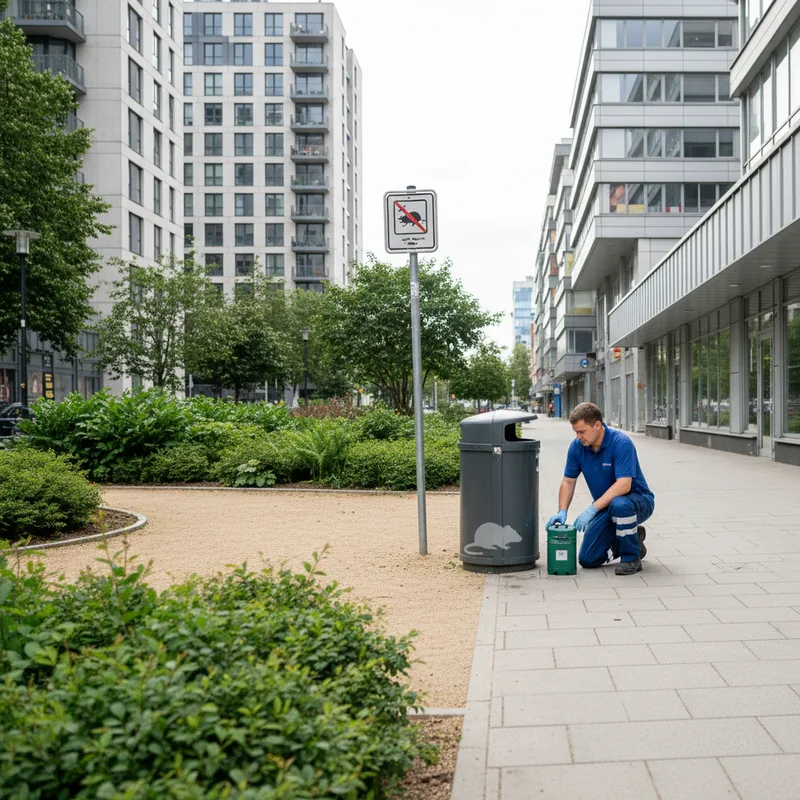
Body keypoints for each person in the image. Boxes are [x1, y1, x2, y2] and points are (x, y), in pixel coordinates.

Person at [545, 402, 654, 576]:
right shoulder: (577, 447)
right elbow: (568, 481)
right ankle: (633, 539)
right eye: (575, 432)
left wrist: (592, 509)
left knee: (620, 504)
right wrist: (562, 511)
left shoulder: (621, 443)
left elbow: (624, 485)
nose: (578, 436)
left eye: (582, 431)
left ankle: (631, 557)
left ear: (597, 425)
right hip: (606, 506)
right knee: (588, 559)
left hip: (637, 502)